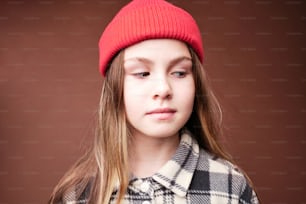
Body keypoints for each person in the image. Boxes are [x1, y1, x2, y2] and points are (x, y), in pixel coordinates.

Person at [49, 0, 260, 203]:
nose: (163, 89)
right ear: (115, 88)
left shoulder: (231, 188)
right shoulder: (76, 196)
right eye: (142, 73)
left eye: (179, 73)